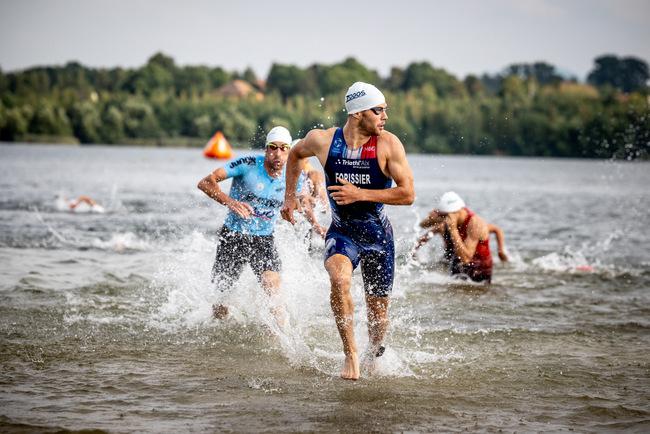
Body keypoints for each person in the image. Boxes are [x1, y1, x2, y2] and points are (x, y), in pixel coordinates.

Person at [281, 82, 415, 380]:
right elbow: (295, 154)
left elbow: (408, 194)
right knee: (339, 279)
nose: (385, 116)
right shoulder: (324, 141)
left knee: (378, 318)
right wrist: (289, 197)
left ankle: (373, 352)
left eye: (385, 110)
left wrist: (360, 194)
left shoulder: (388, 145)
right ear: (357, 113)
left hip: (379, 238)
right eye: (378, 110)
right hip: (342, 232)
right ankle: (351, 355)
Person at [197, 126, 313, 329]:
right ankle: (219, 336)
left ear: (289, 151)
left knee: (273, 287)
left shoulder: (294, 175)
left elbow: (302, 199)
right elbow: (205, 183)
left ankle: (282, 336)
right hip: (233, 236)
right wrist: (231, 202)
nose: (278, 154)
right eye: (273, 147)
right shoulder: (247, 164)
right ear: (266, 149)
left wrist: (312, 215)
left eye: (284, 148)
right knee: (221, 303)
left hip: (264, 239)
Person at [415, 191, 498, 283]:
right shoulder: (450, 216)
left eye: (445, 215)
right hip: (458, 265)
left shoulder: (475, 224)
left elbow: (466, 259)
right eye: (442, 215)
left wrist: (453, 229)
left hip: (479, 272)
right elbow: (422, 225)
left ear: (455, 212)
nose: (444, 218)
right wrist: (431, 218)